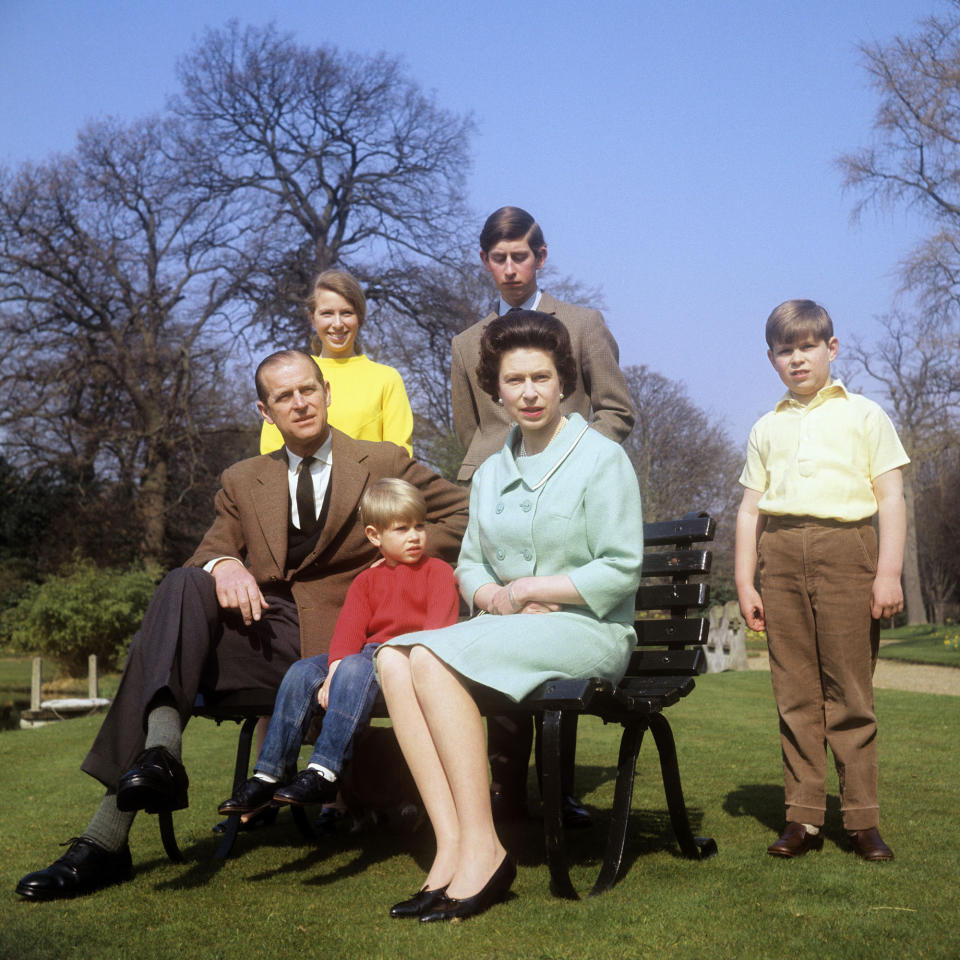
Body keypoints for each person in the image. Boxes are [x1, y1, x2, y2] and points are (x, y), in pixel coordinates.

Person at [15, 351, 468, 902]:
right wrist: (225, 564)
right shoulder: (243, 478)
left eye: (307, 389)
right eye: (283, 397)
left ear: (327, 391)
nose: (299, 402)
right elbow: (209, 549)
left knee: (158, 651)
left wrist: (398, 549)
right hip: (268, 638)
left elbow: (464, 514)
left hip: (347, 646)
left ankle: (105, 838)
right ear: (265, 411)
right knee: (183, 584)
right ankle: (159, 756)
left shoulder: (383, 460)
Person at [376, 311, 644, 922]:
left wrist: (537, 588)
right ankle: (452, 847)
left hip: (590, 632)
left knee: (431, 657)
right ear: (496, 388)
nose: (528, 393)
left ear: (563, 382)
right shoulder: (494, 468)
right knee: (393, 658)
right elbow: (470, 566)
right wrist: (500, 597)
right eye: (514, 380)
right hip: (515, 627)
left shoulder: (601, 459)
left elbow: (621, 568)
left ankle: (487, 849)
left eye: (541, 378)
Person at [450, 205, 637, 826]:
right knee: (493, 630)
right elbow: (472, 433)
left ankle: (553, 792)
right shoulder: (466, 343)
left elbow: (615, 408)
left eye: (520, 256)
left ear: (541, 255)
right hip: (496, 496)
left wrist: (573, 460)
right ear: (485, 262)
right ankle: (502, 793)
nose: (509, 268)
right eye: (497, 258)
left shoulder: (581, 324)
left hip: (570, 496)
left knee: (547, 632)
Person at [734, 299, 908, 862]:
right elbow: (748, 511)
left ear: (831, 349)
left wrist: (887, 573)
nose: (797, 359)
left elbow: (890, 498)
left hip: (848, 551)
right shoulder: (766, 427)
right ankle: (803, 818)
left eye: (808, 346)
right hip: (780, 555)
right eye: (785, 350)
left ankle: (861, 820)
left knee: (850, 693)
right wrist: (745, 581)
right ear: (771, 359)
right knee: (795, 695)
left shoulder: (865, 415)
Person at [217, 478, 460, 818]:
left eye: (420, 526)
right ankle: (269, 773)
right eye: (402, 529)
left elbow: (437, 635)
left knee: (357, 666)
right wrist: (332, 672)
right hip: (361, 660)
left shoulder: (438, 572)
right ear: (375, 536)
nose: (415, 536)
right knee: (303, 670)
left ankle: (326, 770)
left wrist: (350, 668)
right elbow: (348, 633)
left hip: (404, 664)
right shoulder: (367, 581)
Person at [260, 269, 414, 455]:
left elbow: (399, 457)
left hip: (370, 483)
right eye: (327, 313)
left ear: (360, 318)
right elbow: (272, 453)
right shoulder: (292, 375)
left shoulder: (386, 379)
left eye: (347, 313)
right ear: (312, 318)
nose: (338, 323)